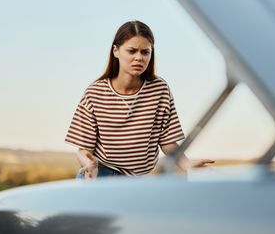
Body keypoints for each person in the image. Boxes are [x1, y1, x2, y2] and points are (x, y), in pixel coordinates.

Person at [65, 20, 214, 179]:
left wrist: (188, 165)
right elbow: (84, 150)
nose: (139, 58)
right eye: (132, 51)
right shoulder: (94, 93)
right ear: (116, 51)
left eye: (145, 52)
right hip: (98, 174)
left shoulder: (159, 90)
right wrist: (89, 163)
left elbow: (167, 141)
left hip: (136, 179)